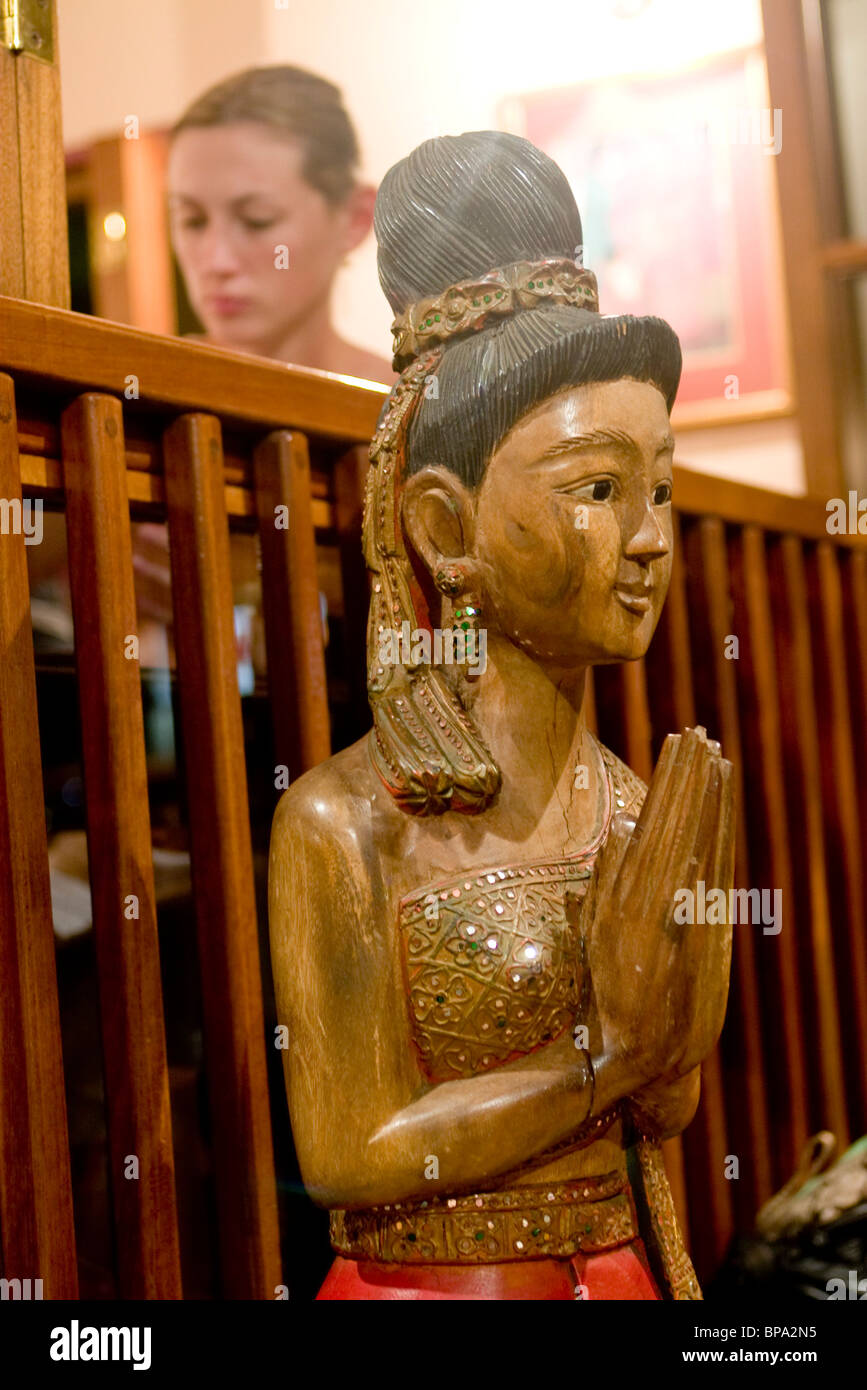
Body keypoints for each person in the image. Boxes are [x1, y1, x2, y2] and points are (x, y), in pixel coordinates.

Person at [268, 131, 735, 1301]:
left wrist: (680, 995)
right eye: (597, 489)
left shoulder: (630, 802)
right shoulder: (343, 824)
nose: (648, 537)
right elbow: (348, 1150)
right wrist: (610, 1056)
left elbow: (670, 1108)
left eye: (661, 485)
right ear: (445, 529)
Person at [166, 64, 394, 383]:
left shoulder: (410, 405)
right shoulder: (140, 392)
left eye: (256, 221)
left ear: (355, 218)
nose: (217, 262)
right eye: (193, 221)